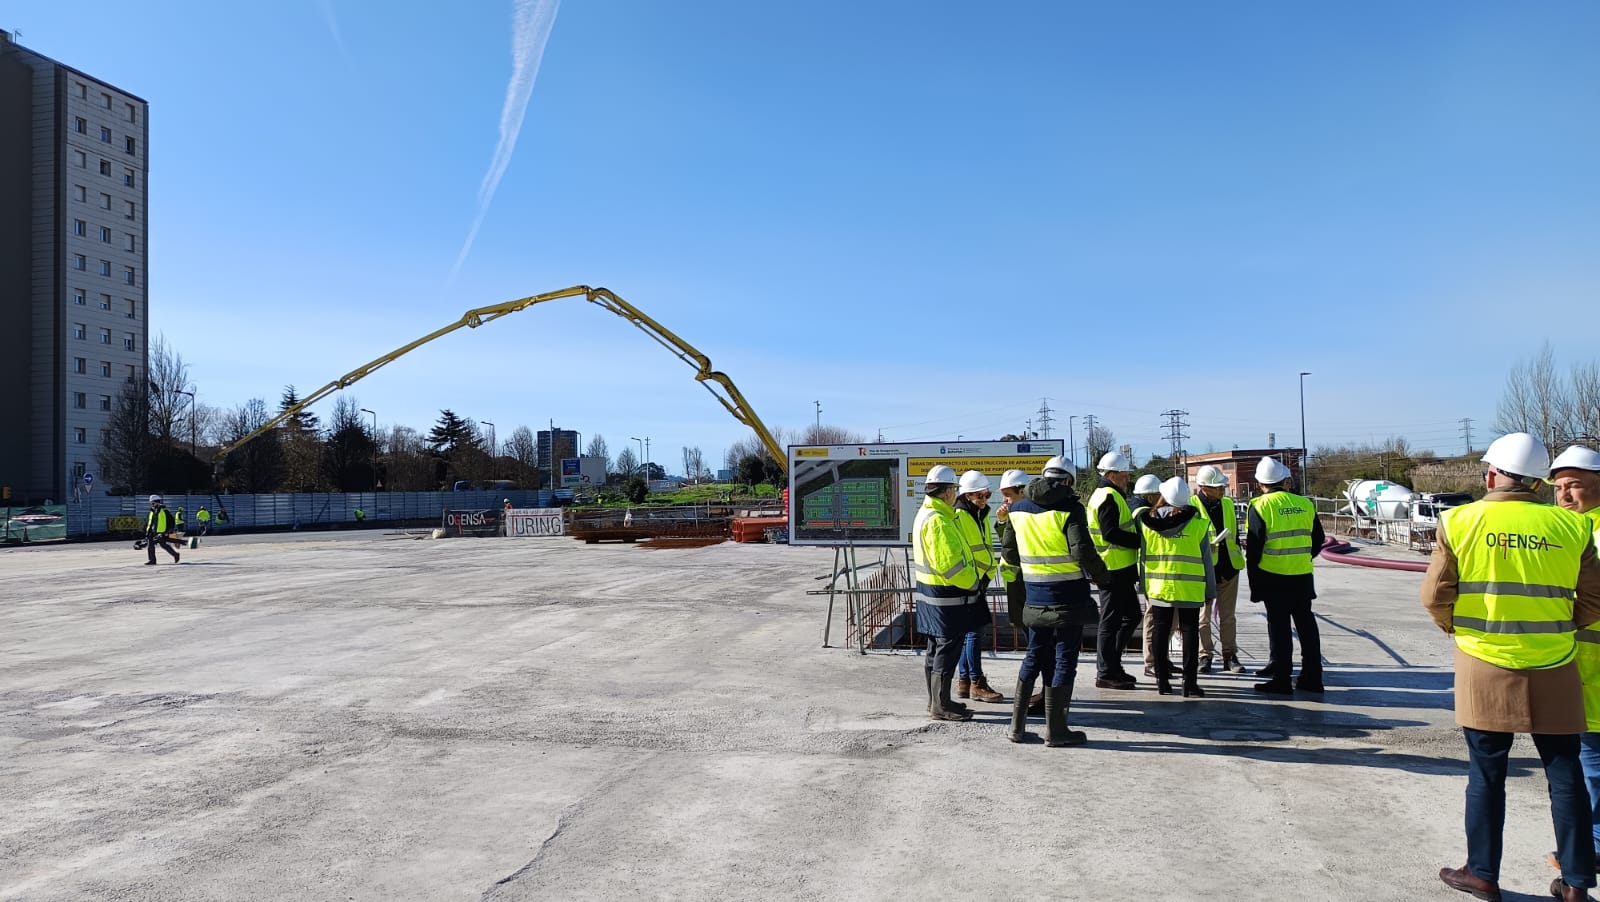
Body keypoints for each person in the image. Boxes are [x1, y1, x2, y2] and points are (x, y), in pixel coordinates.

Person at [1423, 433, 1600, 902]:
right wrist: (1559, 626)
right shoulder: (1571, 527)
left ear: (1492, 474)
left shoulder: (1459, 520)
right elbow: (1595, 599)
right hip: (1556, 662)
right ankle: (1577, 884)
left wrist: (1461, 632)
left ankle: (1482, 873)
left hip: (1484, 662)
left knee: (1486, 773)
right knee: (1565, 774)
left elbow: (1434, 595)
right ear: (1541, 482)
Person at [1003, 456, 1108, 746]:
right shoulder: (1071, 508)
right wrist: (1103, 576)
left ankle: (1016, 726)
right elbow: (1082, 551)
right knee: (1064, 658)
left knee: (1034, 655)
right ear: (1068, 480)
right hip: (1068, 599)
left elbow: (1009, 554)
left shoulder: (1018, 508)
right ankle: (1057, 730)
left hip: (1034, 597)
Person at [1553, 445, 1600, 880]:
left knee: (1593, 762)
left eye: (1575, 486)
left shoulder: (1591, 533)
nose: (1565, 495)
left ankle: (1595, 846)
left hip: (1592, 665)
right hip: (1579, 662)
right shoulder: (1569, 528)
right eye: (1559, 487)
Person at [1246, 456, 1325, 695]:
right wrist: (1303, 557)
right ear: (1285, 481)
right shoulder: (1305, 503)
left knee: (1279, 628)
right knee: (1306, 625)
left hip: (1273, 575)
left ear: (1260, 484)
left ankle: (1281, 678)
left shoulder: (1259, 506)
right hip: (1301, 575)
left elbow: (1254, 548)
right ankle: (1312, 677)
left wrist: (1254, 583)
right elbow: (1318, 539)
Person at [912, 465, 985, 722]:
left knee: (936, 649)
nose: (955, 493)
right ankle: (940, 706)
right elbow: (951, 565)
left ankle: (937, 701)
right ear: (945, 492)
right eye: (953, 489)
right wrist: (973, 582)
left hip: (931, 593)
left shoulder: (929, 514)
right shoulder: (939, 521)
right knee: (947, 649)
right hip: (946, 596)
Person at [1136, 477, 1215, 697]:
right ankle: (1189, 683)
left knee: (1160, 631)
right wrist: (1210, 591)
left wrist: (1144, 588)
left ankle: (1162, 681)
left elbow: (1142, 558)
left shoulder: (1146, 524)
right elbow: (1207, 561)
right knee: (1190, 631)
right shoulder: (1199, 525)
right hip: (1190, 587)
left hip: (1159, 586)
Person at [1086, 451, 1142, 690]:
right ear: (1112, 474)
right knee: (1110, 622)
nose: (1127, 478)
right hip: (1112, 570)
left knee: (1131, 616)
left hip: (1120, 569)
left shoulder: (1110, 494)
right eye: (1124, 474)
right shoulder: (1107, 496)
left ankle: (1113, 666)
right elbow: (1110, 533)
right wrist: (1139, 540)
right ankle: (1106, 671)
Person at [953, 470, 1003, 704]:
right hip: (970, 579)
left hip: (979, 578)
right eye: (981, 496)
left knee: (968, 632)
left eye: (987, 495)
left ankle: (964, 681)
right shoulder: (961, 515)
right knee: (974, 632)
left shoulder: (977, 514)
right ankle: (976, 682)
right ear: (969, 495)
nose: (985, 500)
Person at [1192, 465, 1247, 674]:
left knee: (1228, 615)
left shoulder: (1226, 504)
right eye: (1218, 487)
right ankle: (1204, 655)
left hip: (1229, 567)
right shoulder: (1192, 506)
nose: (1222, 489)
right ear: (1204, 487)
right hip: (1204, 569)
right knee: (1202, 617)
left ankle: (1229, 655)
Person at [1128, 473, 1163, 677]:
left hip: (1147, 569)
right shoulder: (1144, 514)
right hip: (1150, 570)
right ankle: (1152, 661)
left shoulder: (1135, 509)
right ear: (1150, 497)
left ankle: (1158, 659)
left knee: (1156, 617)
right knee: (1152, 617)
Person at [143, 494, 180, 565]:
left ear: (157, 502)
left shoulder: (164, 511)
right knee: (150, 545)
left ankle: (175, 554)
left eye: (153, 503)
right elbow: (149, 522)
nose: (152, 505)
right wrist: (147, 532)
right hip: (153, 532)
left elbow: (171, 521)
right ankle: (152, 560)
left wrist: (169, 531)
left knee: (163, 545)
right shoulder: (151, 511)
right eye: (151, 503)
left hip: (162, 532)